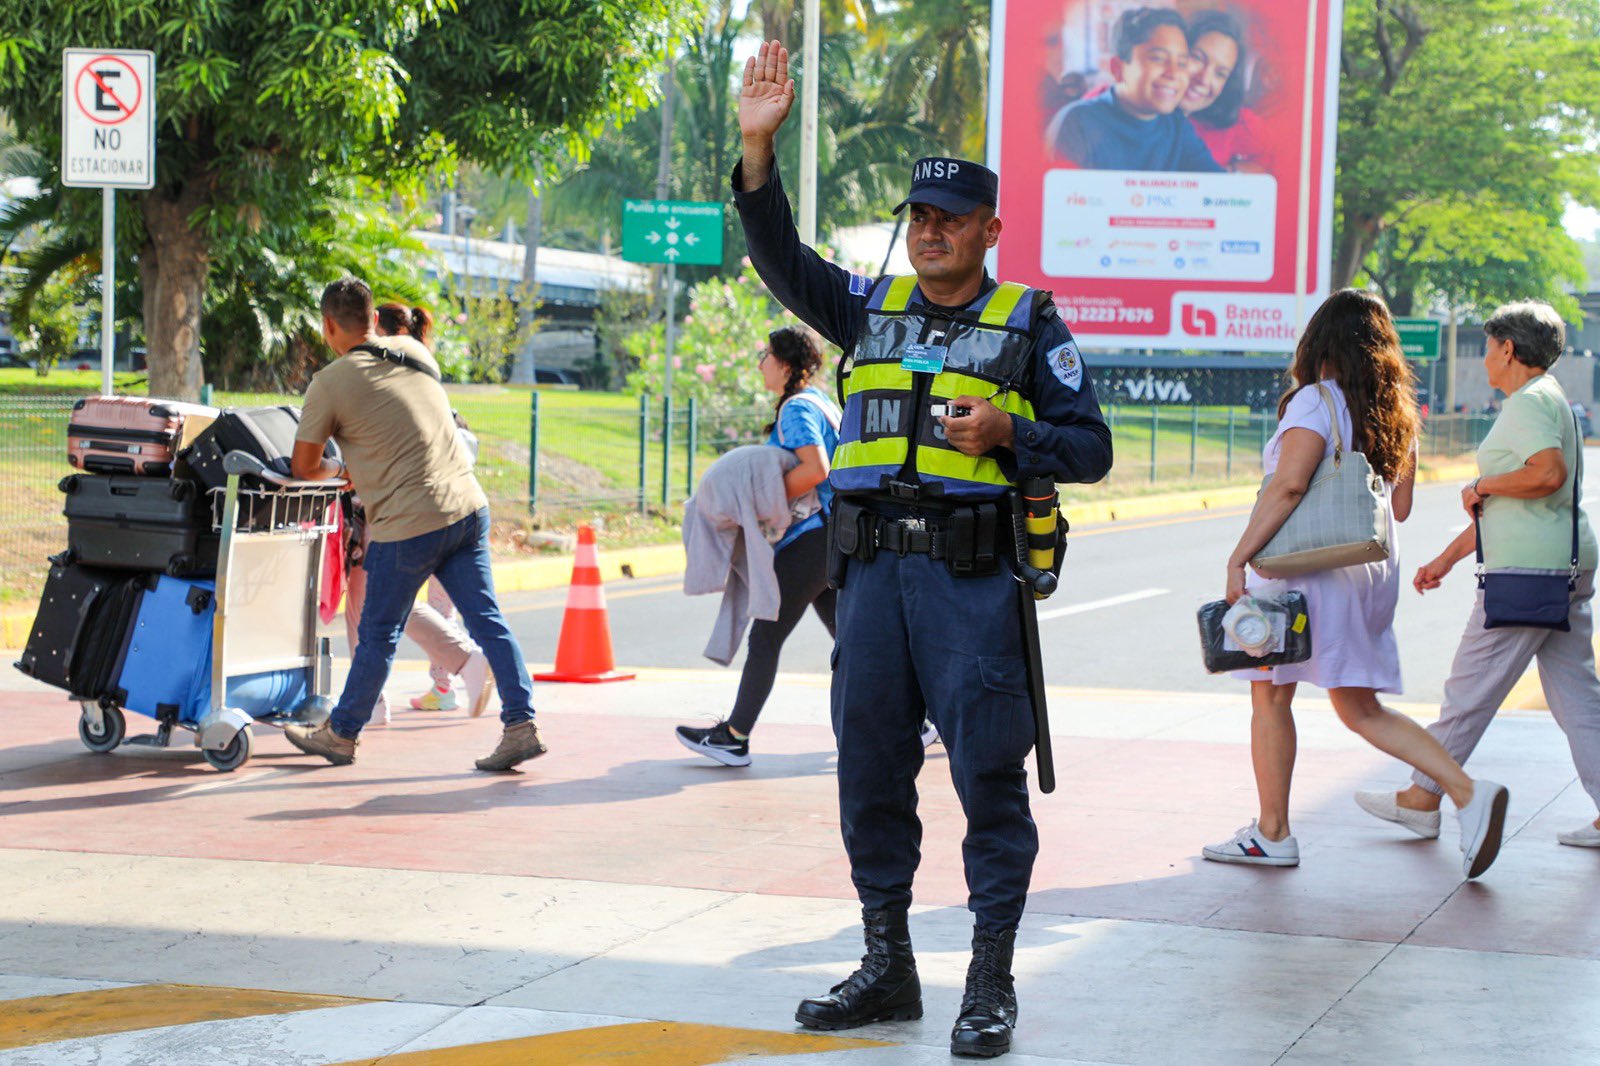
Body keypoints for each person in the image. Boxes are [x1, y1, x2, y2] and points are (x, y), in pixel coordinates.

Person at [734, 41, 1113, 1058]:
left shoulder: (1030, 323)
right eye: (919, 217)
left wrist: (1009, 437)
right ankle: (887, 963)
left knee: (988, 776)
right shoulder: (867, 309)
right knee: (868, 772)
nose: (931, 231)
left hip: (970, 582)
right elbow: (780, 260)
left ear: (991, 230)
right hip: (870, 583)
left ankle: (989, 979)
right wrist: (757, 155)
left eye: (951, 219)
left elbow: (1091, 447)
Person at [1207, 289, 1509, 879]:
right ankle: (1466, 791)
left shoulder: (1315, 403)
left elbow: (1289, 487)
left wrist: (1238, 557)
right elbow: (1399, 508)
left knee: (1270, 692)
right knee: (1360, 708)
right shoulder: (1395, 409)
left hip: (1304, 572)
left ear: (1320, 342)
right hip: (1366, 572)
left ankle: (1273, 833)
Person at [1356, 301, 1600, 847]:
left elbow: (1546, 474)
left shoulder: (1529, 401)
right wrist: (1446, 559)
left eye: (1489, 347)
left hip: (1527, 574)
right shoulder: (1550, 399)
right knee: (1579, 698)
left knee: (1469, 692)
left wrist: (1482, 486)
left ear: (1508, 350)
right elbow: (1522, 503)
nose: (1486, 358)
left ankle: (1422, 796)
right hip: (1556, 568)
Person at [284, 278, 544, 772]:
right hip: (467, 508)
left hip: (407, 524)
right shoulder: (413, 351)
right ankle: (520, 725)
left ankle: (340, 735)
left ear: (328, 325)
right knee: (487, 620)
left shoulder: (329, 383)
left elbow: (303, 467)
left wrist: (342, 473)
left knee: (378, 632)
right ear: (374, 319)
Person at [675, 326, 841, 766]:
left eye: (765, 355)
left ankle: (734, 735)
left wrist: (762, 501)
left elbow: (816, 469)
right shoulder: (820, 400)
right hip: (833, 536)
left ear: (784, 365)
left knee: (766, 634)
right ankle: (919, 721)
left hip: (811, 539)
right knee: (851, 641)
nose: (760, 364)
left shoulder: (796, 409)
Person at [369, 301, 497, 717]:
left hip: (416, 515)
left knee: (389, 603)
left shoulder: (395, 380)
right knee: (446, 606)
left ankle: (440, 680)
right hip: (463, 508)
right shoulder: (432, 382)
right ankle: (455, 679)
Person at [1047, 8, 1222, 173]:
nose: (1174, 73)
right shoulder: (1077, 124)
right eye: (1159, 59)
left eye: (1182, 63)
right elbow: (1058, 199)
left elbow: (1216, 189)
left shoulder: (1177, 126)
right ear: (1117, 69)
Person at [1181, 11, 1272, 173]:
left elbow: (1269, 166)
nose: (1204, 79)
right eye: (1198, 58)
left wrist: (1229, 173)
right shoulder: (1139, 111)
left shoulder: (1240, 124)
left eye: (1220, 74)